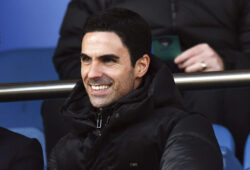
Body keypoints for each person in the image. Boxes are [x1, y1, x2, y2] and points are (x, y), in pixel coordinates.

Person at [43, 0, 250, 161]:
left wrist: (225, 62)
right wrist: (119, 74)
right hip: (127, 91)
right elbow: (70, 56)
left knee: (235, 95)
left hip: (215, 87)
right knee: (59, 105)